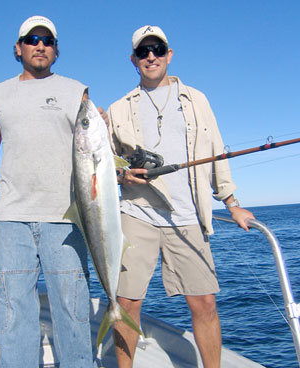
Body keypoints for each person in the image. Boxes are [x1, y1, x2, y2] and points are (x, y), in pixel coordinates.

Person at [107, 25, 255, 368]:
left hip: (187, 216)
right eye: (143, 52)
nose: (151, 57)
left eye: (157, 49)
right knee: (126, 303)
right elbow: (106, 164)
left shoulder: (197, 99)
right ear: (133, 60)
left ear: (169, 55)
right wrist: (122, 174)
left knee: (204, 303)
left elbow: (217, 152)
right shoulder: (117, 109)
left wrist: (231, 203)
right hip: (137, 211)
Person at [0, 15, 102, 368]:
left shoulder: (76, 91)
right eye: (32, 39)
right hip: (11, 221)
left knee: (72, 309)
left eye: (48, 40)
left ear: (55, 51)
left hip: (65, 220)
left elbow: (96, 153)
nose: (40, 45)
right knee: (12, 312)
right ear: (18, 48)